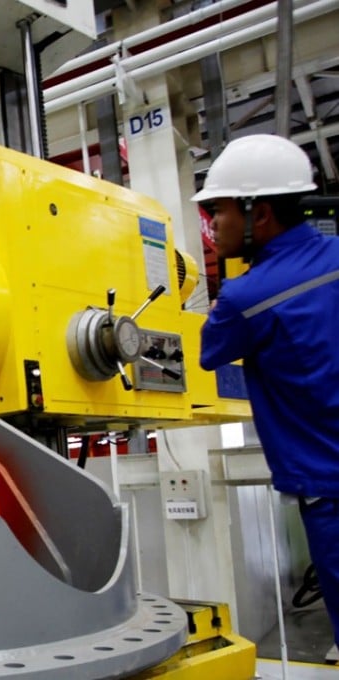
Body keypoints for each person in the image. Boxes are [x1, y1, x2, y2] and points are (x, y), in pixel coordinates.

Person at [196, 133, 339, 653]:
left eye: (219, 210)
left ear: (258, 214)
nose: (213, 225)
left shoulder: (244, 296)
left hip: (330, 490)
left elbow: (209, 351)